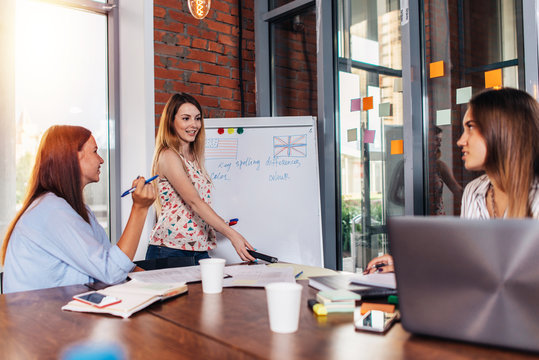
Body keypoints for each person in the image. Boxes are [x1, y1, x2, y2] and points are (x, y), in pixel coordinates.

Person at [364, 87, 539, 274]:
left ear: (504, 129)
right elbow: (468, 265)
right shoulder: (473, 191)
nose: (460, 141)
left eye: (470, 127)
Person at [1, 125, 155, 293]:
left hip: (61, 309)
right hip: (39, 315)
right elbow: (111, 272)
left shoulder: (80, 211)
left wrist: (157, 282)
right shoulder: (52, 211)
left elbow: (110, 260)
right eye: (95, 151)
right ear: (74, 157)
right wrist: (139, 209)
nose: (101, 160)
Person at [146, 93, 255, 263]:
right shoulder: (168, 156)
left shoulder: (194, 158)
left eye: (197, 118)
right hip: (170, 249)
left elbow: (189, 207)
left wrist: (216, 223)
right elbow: (195, 202)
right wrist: (232, 235)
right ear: (171, 121)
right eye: (186, 118)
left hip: (198, 248)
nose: (194, 124)